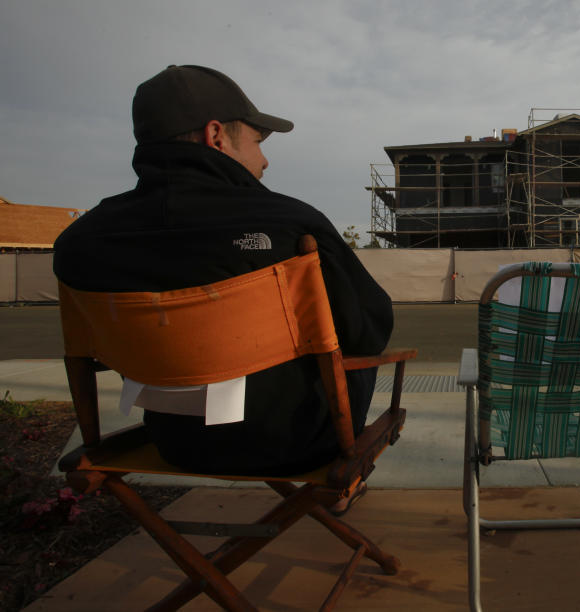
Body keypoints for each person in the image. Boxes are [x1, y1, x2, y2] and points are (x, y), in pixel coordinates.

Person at [54, 66, 392, 511]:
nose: (265, 161)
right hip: (295, 444)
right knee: (353, 344)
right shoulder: (290, 224)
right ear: (216, 136)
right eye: (256, 142)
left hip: (172, 442)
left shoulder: (79, 243)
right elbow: (370, 329)